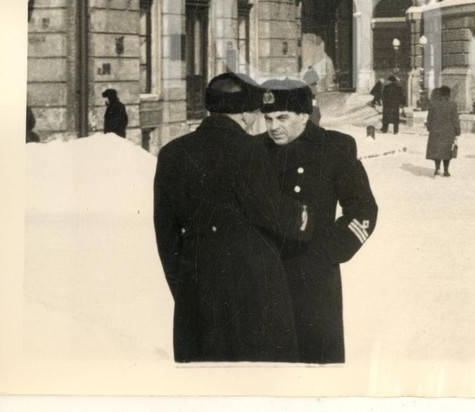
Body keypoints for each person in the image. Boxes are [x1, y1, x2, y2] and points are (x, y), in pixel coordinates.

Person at [152, 73, 313, 362]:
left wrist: (187, 289)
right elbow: (275, 213)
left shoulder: (171, 154)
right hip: (254, 292)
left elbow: (166, 236)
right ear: (245, 114)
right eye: (254, 112)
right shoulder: (251, 151)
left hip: (196, 288)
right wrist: (305, 215)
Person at [260, 79, 378, 364]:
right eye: (268, 118)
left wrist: (329, 251)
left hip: (313, 277)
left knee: (317, 361)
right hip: (264, 274)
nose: (273, 126)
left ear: (303, 115)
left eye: (282, 117)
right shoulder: (254, 150)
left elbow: (363, 209)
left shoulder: (334, 148)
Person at [425, 86, 460, 177]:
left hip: (435, 130)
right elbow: (455, 119)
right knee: (447, 151)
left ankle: (437, 168)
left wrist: (429, 128)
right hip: (448, 131)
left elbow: (430, 118)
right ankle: (446, 171)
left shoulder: (433, 104)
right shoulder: (452, 105)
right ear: (449, 94)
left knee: (437, 150)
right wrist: (457, 131)